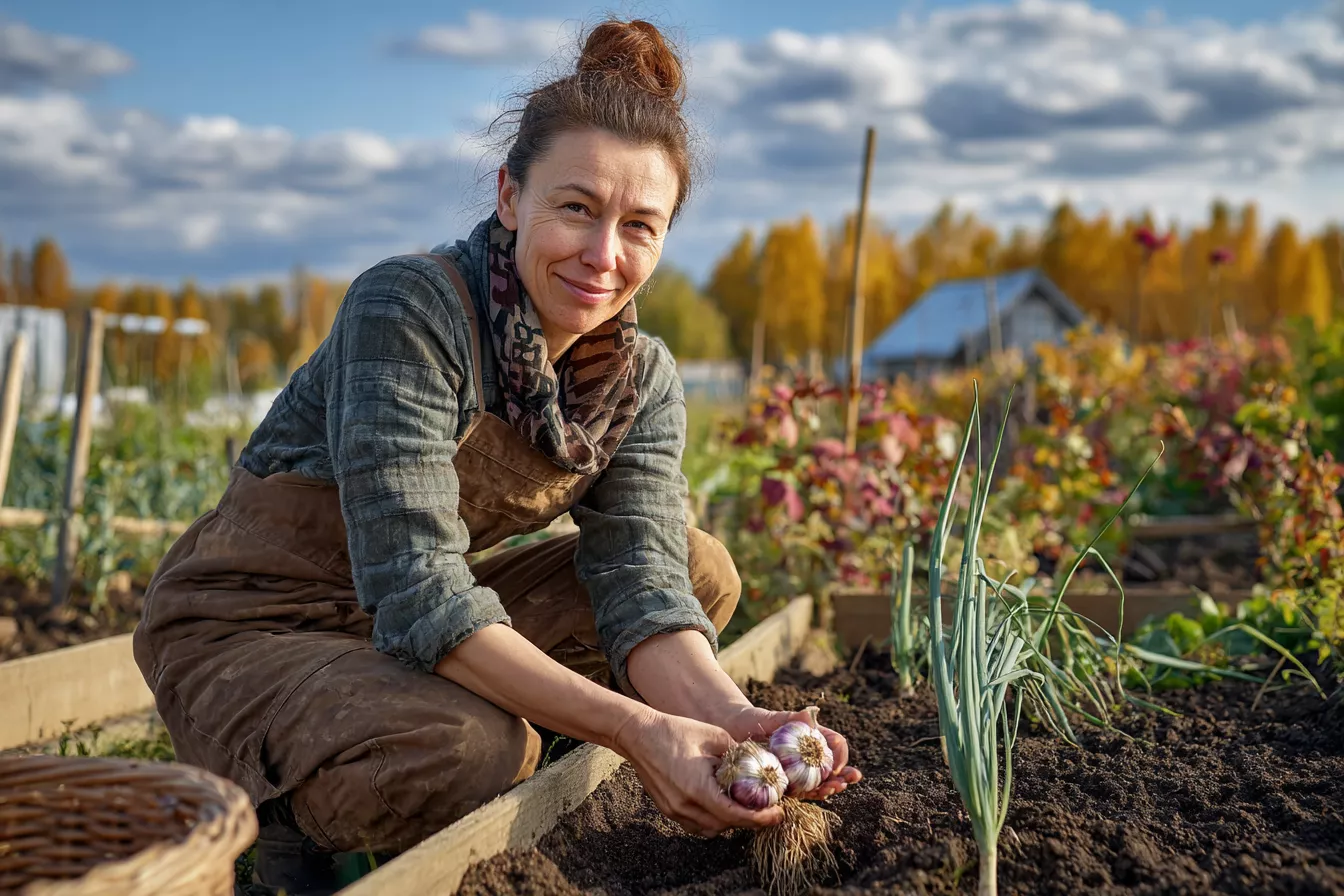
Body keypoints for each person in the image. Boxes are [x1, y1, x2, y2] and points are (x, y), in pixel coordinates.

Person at [132, 17, 860, 896]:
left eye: (640, 225)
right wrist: (637, 732)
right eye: (576, 208)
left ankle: (497, 743)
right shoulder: (411, 309)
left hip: (398, 638)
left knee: (698, 571)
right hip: (259, 626)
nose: (604, 255)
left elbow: (644, 583)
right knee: (473, 746)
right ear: (511, 198)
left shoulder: (641, 380)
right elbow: (416, 586)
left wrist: (737, 721)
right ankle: (291, 825)